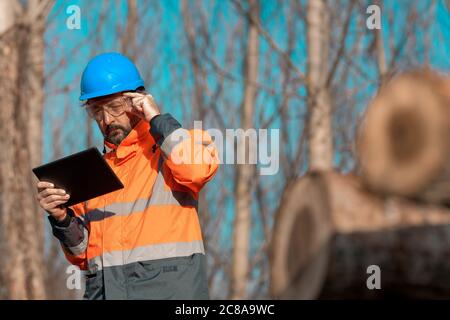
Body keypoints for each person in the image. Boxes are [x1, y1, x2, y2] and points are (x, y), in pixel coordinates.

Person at [36, 52, 219, 300]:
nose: (106, 120)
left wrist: (156, 118)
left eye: (114, 107)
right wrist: (61, 218)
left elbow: (195, 170)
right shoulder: (91, 173)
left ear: (138, 100)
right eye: (96, 111)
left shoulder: (176, 147)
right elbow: (81, 254)